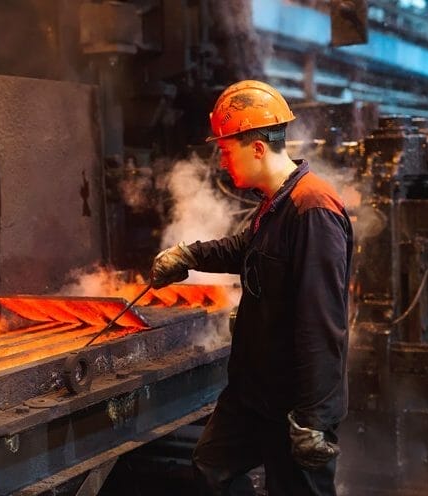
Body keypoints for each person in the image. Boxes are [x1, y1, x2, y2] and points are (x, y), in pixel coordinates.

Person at [151, 80, 353, 496]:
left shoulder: (311, 208)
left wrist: (314, 417)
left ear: (257, 148)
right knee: (212, 468)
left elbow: (322, 323)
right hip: (254, 392)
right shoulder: (278, 201)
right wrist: (189, 256)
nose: (223, 162)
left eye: (227, 151)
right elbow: (247, 249)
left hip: (292, 400)